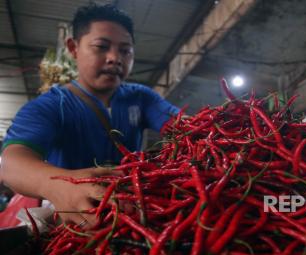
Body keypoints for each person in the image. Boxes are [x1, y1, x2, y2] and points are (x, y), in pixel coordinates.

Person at [0, 4, 179, 229]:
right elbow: (13, 164)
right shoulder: (51, 105)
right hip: (75, 217)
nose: (115, 58)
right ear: (73, 48)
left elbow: (187, 129)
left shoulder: (142, 98)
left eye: (125, 50)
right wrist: (58, 185)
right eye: (101, 46)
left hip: (132, 211)